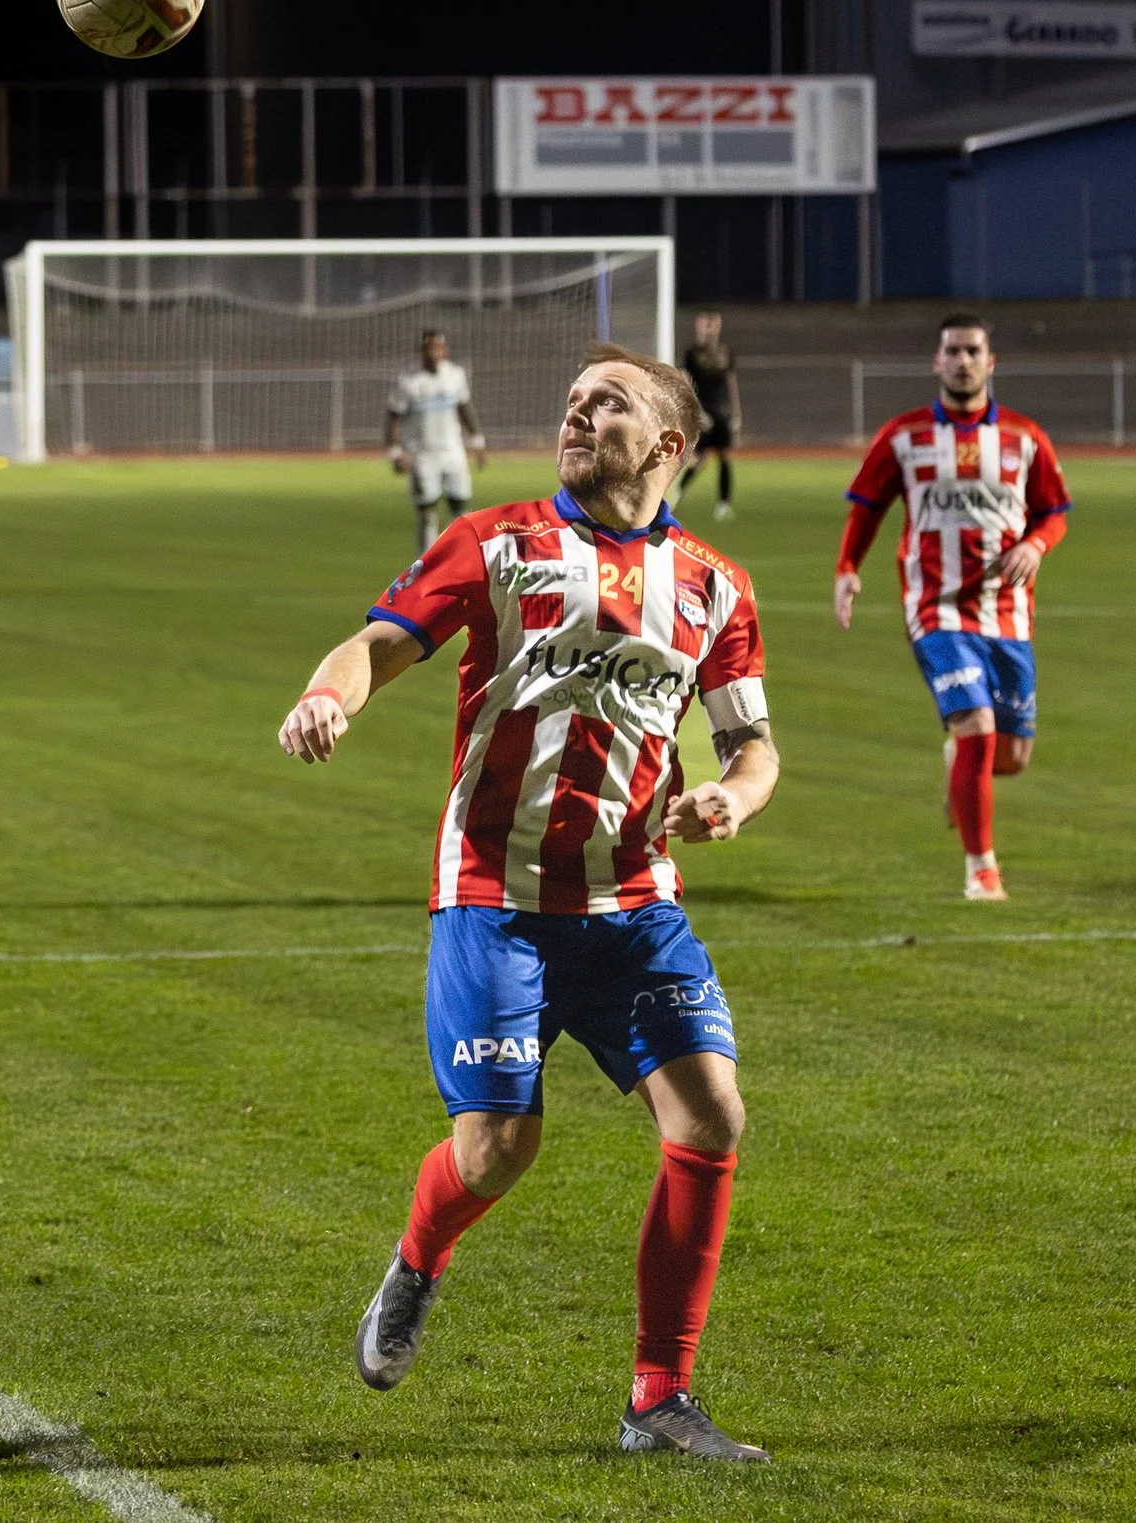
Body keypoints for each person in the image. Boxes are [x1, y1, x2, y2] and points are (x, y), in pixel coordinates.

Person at [281, 342, 778, 1463]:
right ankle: (418, 1261)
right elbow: (375, 643)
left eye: (607, 402)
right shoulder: (495, 542)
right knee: (499, 1147)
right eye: (571, 400)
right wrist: (328, 696)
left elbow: (750, 744)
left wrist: (733, 798)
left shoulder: (715, 586)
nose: (576, 412)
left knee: (712, 1114)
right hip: (493, 897)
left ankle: (659, 1399)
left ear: (666, 443)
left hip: (634, 902)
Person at [833, 314, 1070, 902]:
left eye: (972, 352)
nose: (963, 362)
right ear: (937, 361)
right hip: (935, 608)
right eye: (953, 352)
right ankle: (982, 869)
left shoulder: (1025, 438)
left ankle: (958, 763)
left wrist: (1037, 545)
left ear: (990, 362)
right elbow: (867, 507)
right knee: (977, 728)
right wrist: (847, 568)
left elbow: (1053, 513)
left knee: (1011, 756)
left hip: (1007, 611)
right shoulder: (903, 436)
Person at [384, 330, 484, 553]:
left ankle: (460, 556)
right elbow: (393, 415)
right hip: (422, 454)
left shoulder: (455, 375)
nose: (434, 353)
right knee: (427, 511)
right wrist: (395, 451)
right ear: (422, 351)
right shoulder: (409, 380)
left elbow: (464, 407)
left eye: (438, 348)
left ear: (445, 350)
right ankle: (426, 561)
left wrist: (477, 441)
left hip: (453, 450)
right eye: (429, 349)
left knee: (461, 506)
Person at [675, 311, 739, 519]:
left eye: (713, 325)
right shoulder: (692, 354)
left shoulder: (725, 353)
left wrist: (736, 412)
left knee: (724, 457)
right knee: (696, 458)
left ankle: (724, 504)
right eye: (705, 325)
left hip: (721, 414)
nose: (710, 329)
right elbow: (686, 383)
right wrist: (697, 412)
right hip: (702, 413)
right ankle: (678, 491)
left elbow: (731, 382)